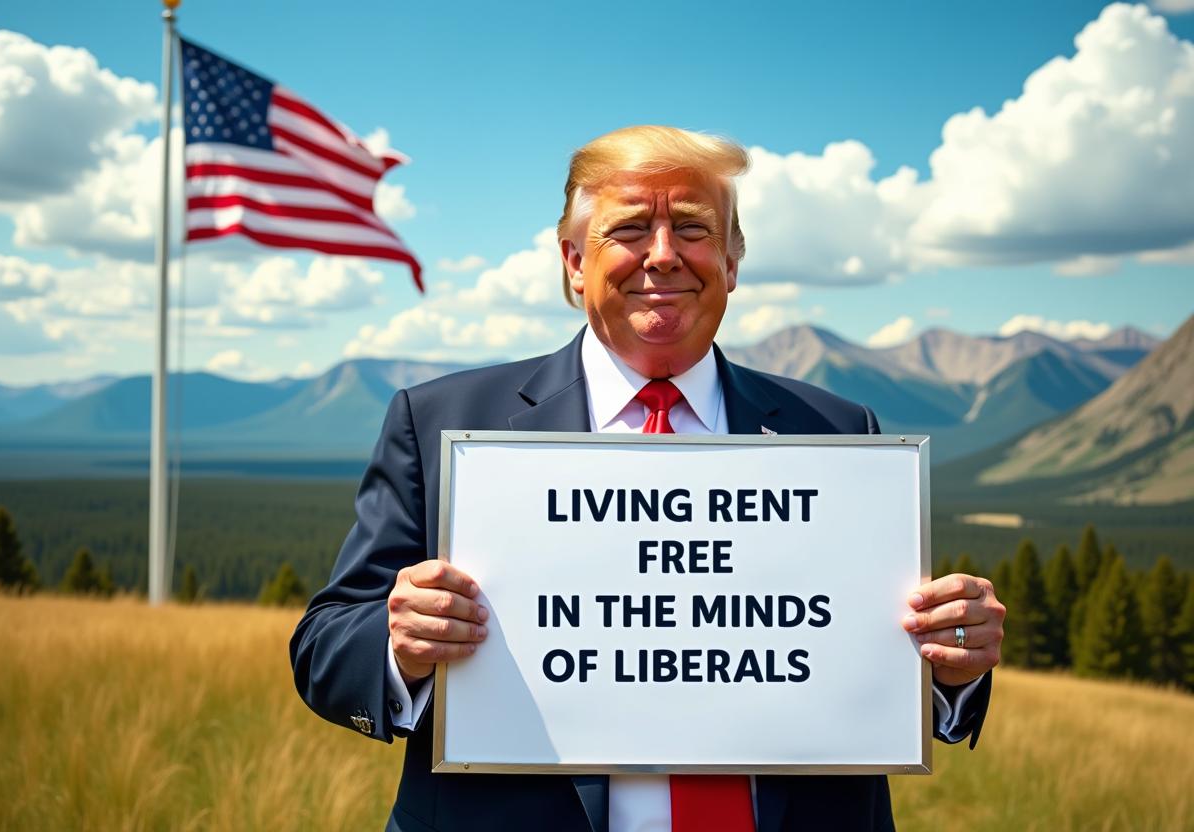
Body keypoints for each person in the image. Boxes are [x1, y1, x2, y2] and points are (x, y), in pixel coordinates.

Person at [291, 125, 1004, 832]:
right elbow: (326, 645)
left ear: (731, 261)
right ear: (575, 262)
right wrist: (399, 647)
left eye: (693, 228)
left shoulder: (840, 433)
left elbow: (874, 653)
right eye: (630, 229)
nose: (663, 255)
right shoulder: (443, 424)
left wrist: (952, 666)